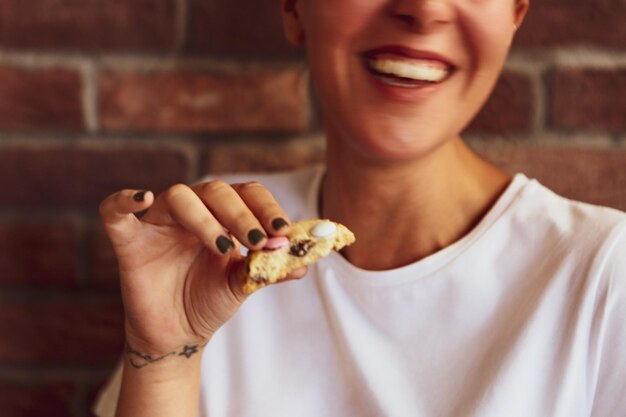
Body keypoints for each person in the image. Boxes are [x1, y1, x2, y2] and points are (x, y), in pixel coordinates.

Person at [94, 0, 626, 416]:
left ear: (514, 15)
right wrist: (162, 361)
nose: (424, 9)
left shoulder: (605, 275)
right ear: (293, 8)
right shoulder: (213, 241)